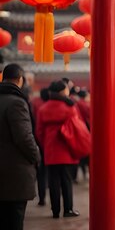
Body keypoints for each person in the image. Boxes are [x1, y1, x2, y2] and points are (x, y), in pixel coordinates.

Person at [0, 64, 41, 230]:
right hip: (15, 162)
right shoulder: (17, 102)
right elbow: (24, 136)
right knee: (16, 205)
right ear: (20, 79)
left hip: (4, 162)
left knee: (5, 204)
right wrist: (35, 155)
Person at [36, 80, 81, 218]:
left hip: (50, 149)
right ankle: (68, 210)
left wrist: (45, 144)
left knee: (53, 180)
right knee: (66, 180)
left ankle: (55, 211)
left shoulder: (43, 109)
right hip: (66, 148)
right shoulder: (70, 107)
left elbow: (39, 132)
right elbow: (76, 128)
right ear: (63, 91)